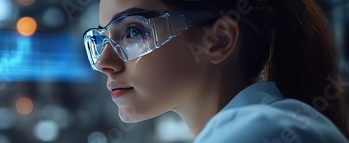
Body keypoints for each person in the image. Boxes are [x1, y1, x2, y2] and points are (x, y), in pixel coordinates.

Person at [83, 0, 349, 142]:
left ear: (218, 40)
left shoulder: (261, 131)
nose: (103, 62)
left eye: (132, 32)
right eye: (102, 39)